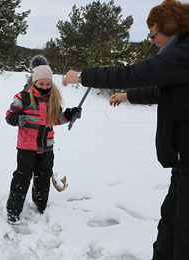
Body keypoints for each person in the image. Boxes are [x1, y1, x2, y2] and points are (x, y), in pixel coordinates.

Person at [63, 0, 189, 259]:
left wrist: (82, 76)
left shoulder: (183, 54)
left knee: (183, 238)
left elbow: (131, 73)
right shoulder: (179, 57)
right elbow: (163, 90)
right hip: (182, 162)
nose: (152, 41)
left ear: (172, 28)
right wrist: (128, 96)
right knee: (169, 230)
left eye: (154, 34)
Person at [5, 55, 81, 224]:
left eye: (48, 84)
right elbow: (9, 116)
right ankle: (13, 210)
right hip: (26, 146)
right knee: (22, 177)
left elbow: (55, 120)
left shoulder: (53, 98)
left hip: (46, 146)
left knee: (43, 176)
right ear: (34, 82)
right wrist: (17, 119)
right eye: (41, 84)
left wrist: (69, 114)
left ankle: (40, 206)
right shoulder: (23, 97)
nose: (45, 87)